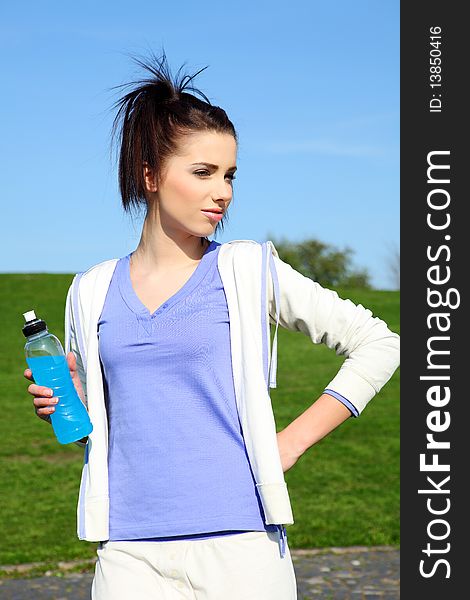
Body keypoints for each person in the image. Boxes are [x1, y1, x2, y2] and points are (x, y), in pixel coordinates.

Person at [23, 50, 400, 600]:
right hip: (129, 550)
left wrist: (288, 444)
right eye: (202, 172)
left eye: (229, 175)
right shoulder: (90, 290)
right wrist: (70, 398)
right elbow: (97, 415)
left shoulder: (247, 269)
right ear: (149, 176)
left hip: (242, 544)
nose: (222, 191)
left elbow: (378, 343)